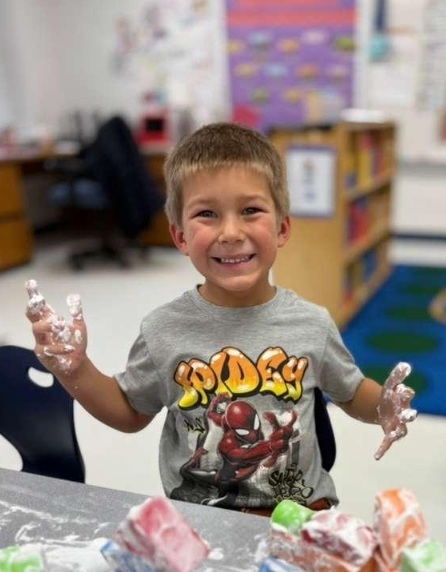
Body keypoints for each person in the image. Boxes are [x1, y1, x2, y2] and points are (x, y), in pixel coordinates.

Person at [26, 122, 417, 515]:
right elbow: (130, 412)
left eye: (250, 211)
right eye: (207, 214)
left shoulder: (312, 323)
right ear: (180, 237)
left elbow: (351, 392)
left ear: (282, 228)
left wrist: (384, 406)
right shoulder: (163, 330)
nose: (230, 232)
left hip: (303, 512)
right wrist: (76, 369)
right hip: (204, 516)